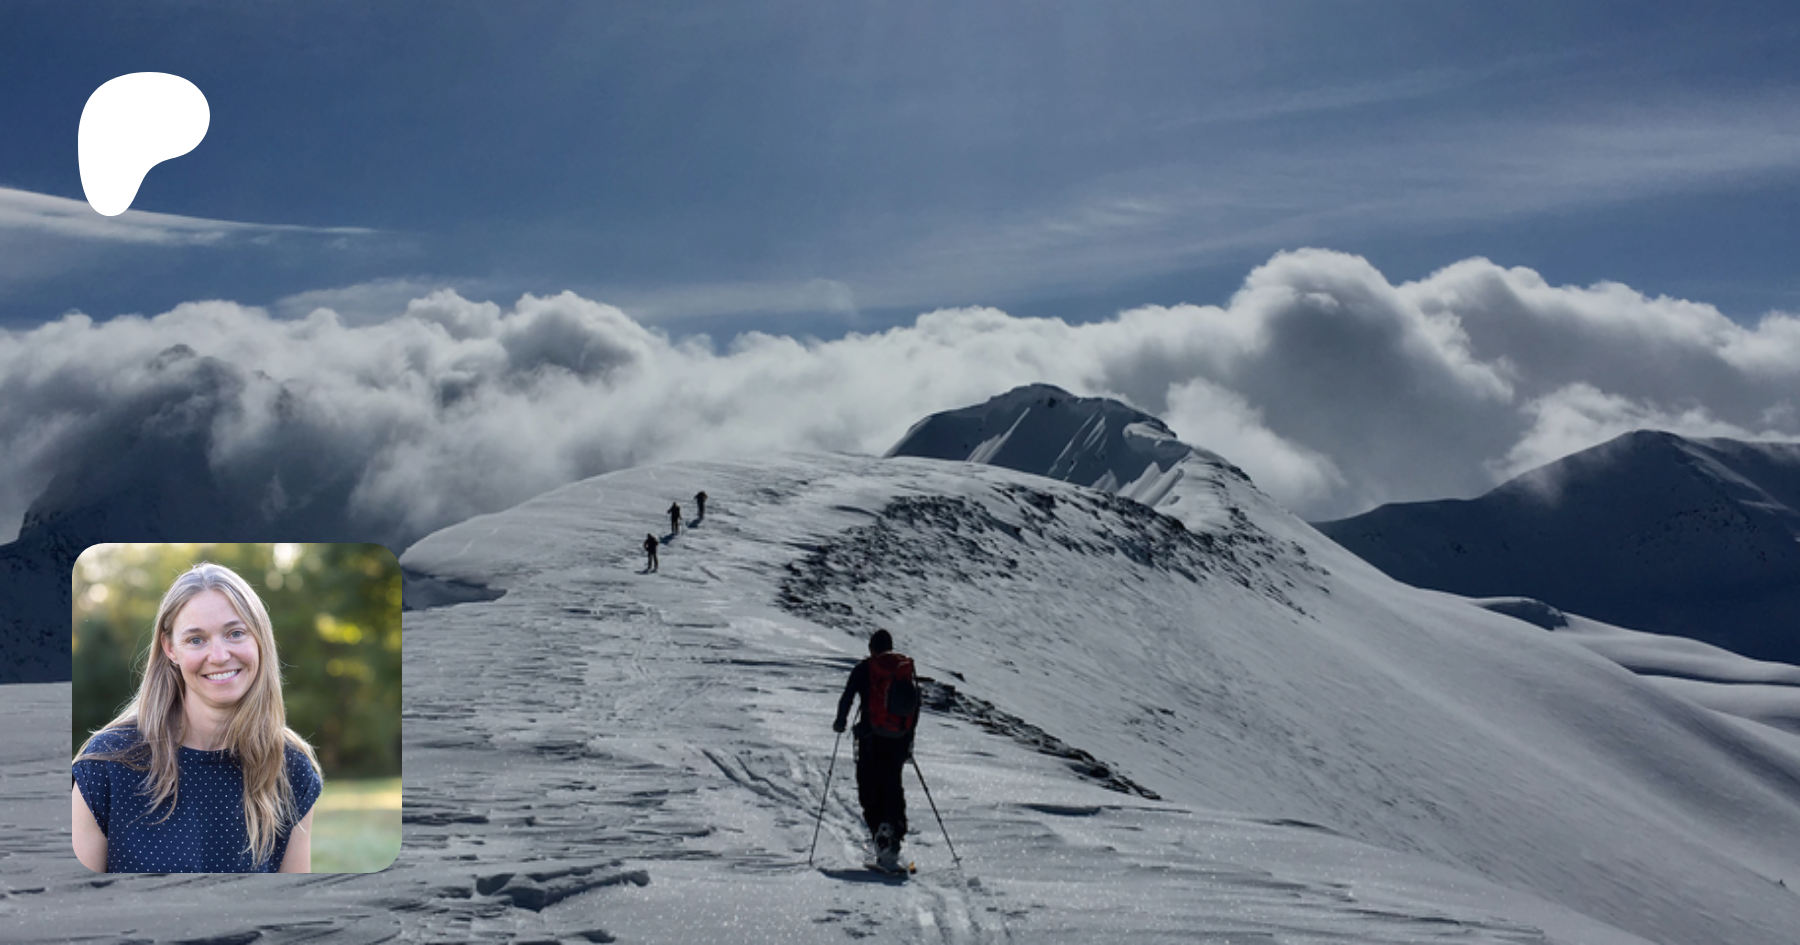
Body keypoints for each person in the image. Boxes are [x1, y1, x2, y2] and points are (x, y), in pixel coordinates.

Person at [72, 562, 323, 873]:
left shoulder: (289, 767)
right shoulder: (107, 764)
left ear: (260, 639)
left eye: (235, 633)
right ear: (170, 648)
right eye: (196, 639)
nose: (218, 656)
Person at [832, 629, 920, 870]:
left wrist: (840, 722)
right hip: (898, 739)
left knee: (869, 788)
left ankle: (882, 840)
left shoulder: (865, 669)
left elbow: (848, 696)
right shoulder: (903, 670)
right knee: (892, 786)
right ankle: (895, 838)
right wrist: (908, 739)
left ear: (871, 648)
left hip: (871, 739)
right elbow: (915, 705)